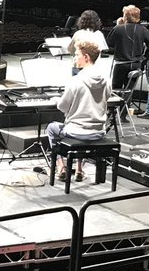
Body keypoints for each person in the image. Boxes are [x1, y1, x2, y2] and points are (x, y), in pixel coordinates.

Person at [46, 40, 110, 182]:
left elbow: (62, 107)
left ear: (86, 57)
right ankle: (79, 170)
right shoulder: (106, 79)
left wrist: (58, 100)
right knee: (79, 130)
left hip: (78, 131)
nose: (75, 58)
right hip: (99, 130)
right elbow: (107, 98)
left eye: (77, 55)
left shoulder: (76, 80)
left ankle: (61, 167)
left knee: (51, 128)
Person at [106, 5, 149, 91]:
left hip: (121, 64)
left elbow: (109, 44)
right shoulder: (143, 30)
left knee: (116, 90)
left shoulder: (118, 28)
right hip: (136, 64)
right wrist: (144, 58)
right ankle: (126, 104)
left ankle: (117, 104)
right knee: (129, 90)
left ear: (125, 16)